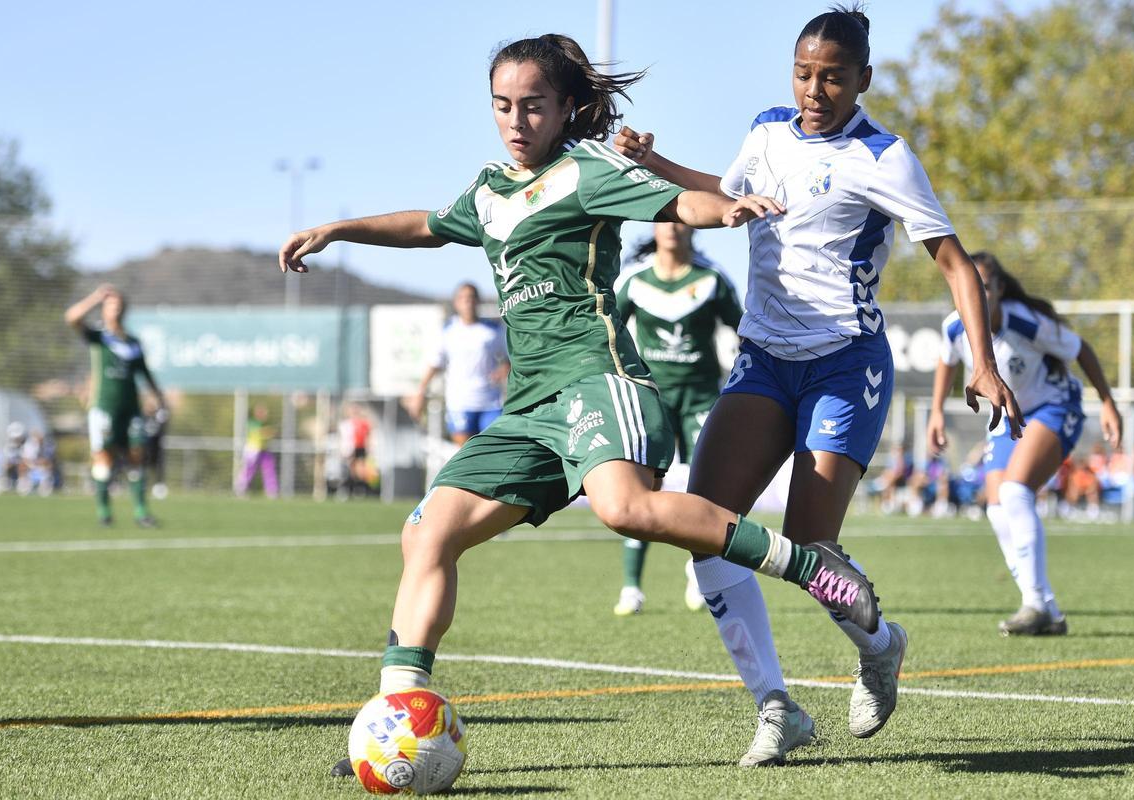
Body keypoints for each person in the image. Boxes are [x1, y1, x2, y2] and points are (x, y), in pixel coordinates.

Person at [277, 33, 880, 778]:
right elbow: (430, 226)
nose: (516, 120)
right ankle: (397, 712)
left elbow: (676, 201)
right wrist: (340, 228)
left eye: (533, 105)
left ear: (567, 107)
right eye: (502, 105)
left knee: (624, 509)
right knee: (429, 532)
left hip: (602, 381)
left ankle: (814, 569)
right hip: (529, 406)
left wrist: (722, 212)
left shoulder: (588, 169)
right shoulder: (490, 190)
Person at [612, 4, 1022, 764]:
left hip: (845, 366)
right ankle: (776, 706)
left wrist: (985, 363)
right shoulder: (767, 129)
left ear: (862, 80)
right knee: (708, 530)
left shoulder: (884, 156)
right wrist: (655, 165)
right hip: (763, 360)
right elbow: (723, 193)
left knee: (809, 544)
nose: (814, 89)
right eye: (804, 73)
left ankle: (879, 646)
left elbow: (957, 264)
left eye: (832, 77)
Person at [928, 251, 1121, 635]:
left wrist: (1107, 401)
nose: (978, 295)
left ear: (999, 289)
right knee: (997, 509)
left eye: (985, 286)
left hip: (1054, 407)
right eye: (971, 287)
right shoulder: (954, 326)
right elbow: (947, 360)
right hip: (1010, 417)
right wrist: (936, 410)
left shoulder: (1026, 323)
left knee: (1015, 493)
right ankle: (1043, 606)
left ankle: (1034, 605)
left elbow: (1079, 348)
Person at [610, 222, 743, 616]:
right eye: (662, 219)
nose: (670, 227)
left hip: (702, 398)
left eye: (679, 220)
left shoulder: (712, 278)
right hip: (651, 399)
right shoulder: (635, 280)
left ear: (693, 229)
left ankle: (698, 571)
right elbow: (607, 328)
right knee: (642, 489)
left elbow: (745, 327)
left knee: (706, 490)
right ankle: (632, 588)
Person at [65, 284, 165, 527]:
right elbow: (72, 317)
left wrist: (158, 397)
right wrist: (95, 297)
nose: (115, 309)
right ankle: (104, 512)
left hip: (131, 409)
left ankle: (141, 512)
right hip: (103, 407)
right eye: (111, 305)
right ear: (104, 309)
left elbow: (145, 373)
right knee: (104, 460)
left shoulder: (133, 342)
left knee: (136, 456)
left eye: (119, 305)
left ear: (124, 310)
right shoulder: (98, 337)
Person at [406, 281, 509, 446]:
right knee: (465, 453)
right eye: (463, 298)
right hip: (461, 402)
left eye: (471, 297)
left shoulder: (493, 331)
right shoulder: (448, 331)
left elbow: (507, 360)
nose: (467, 302)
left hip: (490, 402)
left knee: (492, 449)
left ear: (477, 301)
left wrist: (504, 369)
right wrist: (420, 392)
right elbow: (434, 364)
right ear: (456, 303)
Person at [236, 402, 278, 499]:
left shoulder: (265, 423)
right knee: (248, 471)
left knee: (269, 470)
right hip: (253, 451)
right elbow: (260, 433)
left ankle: (272, 492)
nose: (265, 414)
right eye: (262, 412)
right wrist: (269, 432)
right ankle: (240, 489)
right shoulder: (252, 422)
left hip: (263, 451)